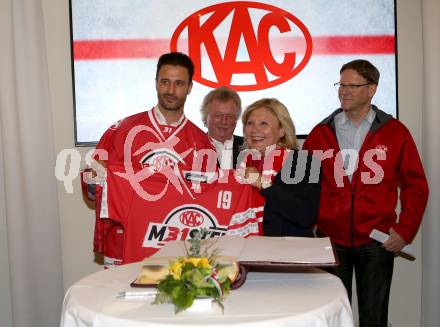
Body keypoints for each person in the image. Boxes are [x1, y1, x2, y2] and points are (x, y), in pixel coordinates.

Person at [303, 59, 429, 326]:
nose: (343, 91)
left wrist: (404, 230)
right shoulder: (320, 132)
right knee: (331, 317)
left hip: (376, 242)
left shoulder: (395, 133)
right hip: (330, 242)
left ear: (371, 89)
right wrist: (311, 225)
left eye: (352, 85)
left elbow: (415, 186)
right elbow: (305, 185)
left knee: (374, 318)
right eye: (341, 84)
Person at [87, 52, 216, 267]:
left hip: (179, 249)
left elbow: (207, 204)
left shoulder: (202, 143)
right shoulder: (122, 130)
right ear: (156, 83)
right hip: (124, 244)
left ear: (190, 88)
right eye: (165, 82)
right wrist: (94, 178)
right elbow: (92, 190)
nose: (171, 90)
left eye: (179, 84)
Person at [239, 98, 320, 237]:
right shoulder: (240, 162)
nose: (254, 129)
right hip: (245, 247)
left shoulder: (303, 162)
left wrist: (263, 183)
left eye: (263, 123)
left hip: (289, 252)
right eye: (249, 123)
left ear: (282, 130)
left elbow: (305, 216)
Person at [201, 86, 243, 169]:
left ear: (236, 119)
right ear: (205, 118)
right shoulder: (191, 149)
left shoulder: (250, 147)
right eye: (218, 115)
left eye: (230, 116)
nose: (224, 121)